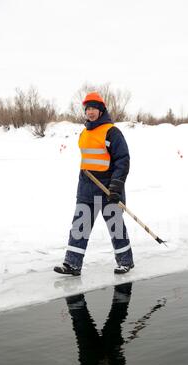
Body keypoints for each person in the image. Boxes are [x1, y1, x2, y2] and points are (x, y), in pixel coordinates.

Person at [54, 92, 134, 276]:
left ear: (101, 110)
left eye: (93, 109)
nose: (90, 112)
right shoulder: (84, 132)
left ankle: (125, 261)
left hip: (108, 187)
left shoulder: (111, 132)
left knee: (115, 226)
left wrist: (116, 185)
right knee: (80, 226)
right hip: (86, 187)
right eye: (87, 109)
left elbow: (123, 159)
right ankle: (72, 264)